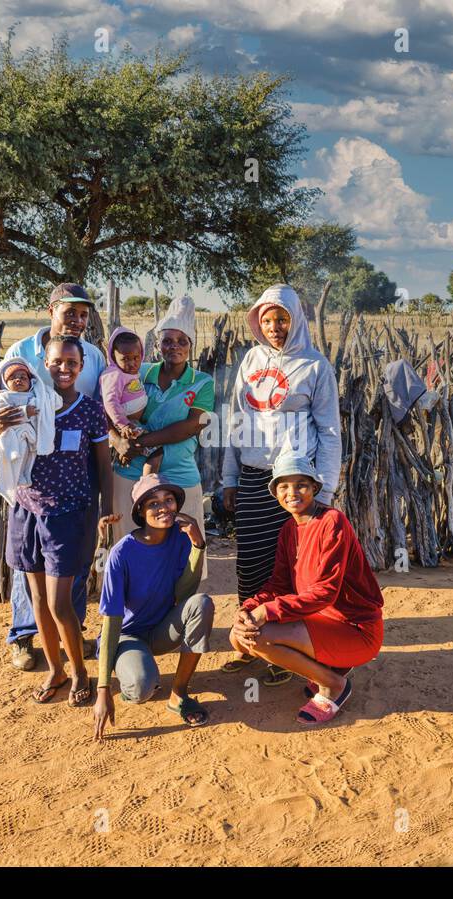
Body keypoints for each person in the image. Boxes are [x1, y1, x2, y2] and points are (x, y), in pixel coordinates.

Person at [219, 284, 342, 684]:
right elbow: (236, 420)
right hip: (255, 479)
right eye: (267, 320)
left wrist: (324, 490)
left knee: (292, 569)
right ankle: (248, 640)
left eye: (282, 319)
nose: (274, 327)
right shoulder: (251, 360)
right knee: (251, 565)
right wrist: (230, 477)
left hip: (295, 485)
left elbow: (329, 431)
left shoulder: (315, 367)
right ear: (258, 321)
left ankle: (283, 649)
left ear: (296, 320)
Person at [0, 335, 113, 707]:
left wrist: (104, 508)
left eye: (72, 363)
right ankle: (55, 670)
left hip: (68, 513)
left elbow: (103, 465)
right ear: (44, 364)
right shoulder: (27, 403)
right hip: (27, 509)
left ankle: (78, 671)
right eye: (57, 362)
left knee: (61, 604)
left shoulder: (90, 410)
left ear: (82, 367)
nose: (64, 369)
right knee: (38, 600)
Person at [228, 454, 384, 725]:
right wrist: (249, 608)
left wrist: (268, 611)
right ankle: (329, 665)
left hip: (356, 629)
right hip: (319, 622)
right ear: (275, 492)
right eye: (284, 486)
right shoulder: (289, 529)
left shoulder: (332, 522)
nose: (292, 492)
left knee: (259, 637)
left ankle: (333, 684)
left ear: (314, 488)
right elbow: (279, 585)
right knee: (239, 637)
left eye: (301, 484)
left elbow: (326, 592)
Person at [93, 473, 214, 740]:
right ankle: (131, 670)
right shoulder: (121, 553)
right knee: (140, 688)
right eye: (153, 504)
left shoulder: (180, 538)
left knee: (201, 603)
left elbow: (184, 594)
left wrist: (197, 544)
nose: (163, 508)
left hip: (161, 630)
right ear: (140, 511)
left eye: (168, 500)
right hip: (127, 635)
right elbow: (112, 621)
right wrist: (103, 689)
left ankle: (179, 694)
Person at [106, 295, 215, 577]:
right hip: (130, 474)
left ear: (191, 345)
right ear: (157, 343)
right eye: (167, 340)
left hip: (178, 474)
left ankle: (182, 615)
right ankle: (132, 616)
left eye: (182, 341)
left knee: (184, 555)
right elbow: (106, 404)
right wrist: (117, 440)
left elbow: (191, 426)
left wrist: (137, 443)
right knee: (129, 548)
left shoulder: (202, 382)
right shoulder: (138, 374)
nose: (174, 346)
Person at [0, 358, 56, 508]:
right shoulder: (4, 397)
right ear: (4, 382)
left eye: (23, 377)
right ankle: (17, 477)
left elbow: (51, 403)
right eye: (12, 378)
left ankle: (25, 475)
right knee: (18, 457)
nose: (18, 380)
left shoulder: (36, 395)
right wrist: (24, 412)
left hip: (29, 436)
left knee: (29, 457)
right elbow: (4, 413)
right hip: (12, 436)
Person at [99, 328, 153, 460]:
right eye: (125, 359)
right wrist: (123, 424)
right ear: (113, 356)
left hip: (133, 422)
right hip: (124, 422)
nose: (132, 363)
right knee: (154, 450)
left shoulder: (128, 373)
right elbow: (110, 402)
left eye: (136, 358)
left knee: (147, 448)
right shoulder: (113, 375)